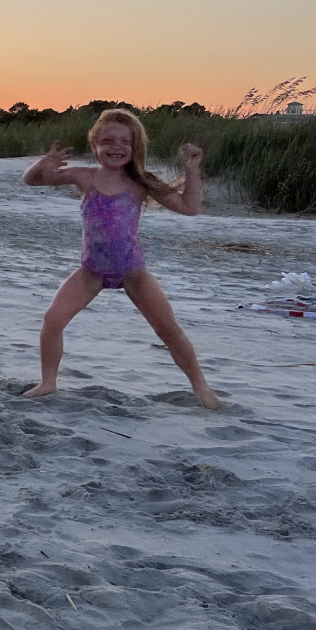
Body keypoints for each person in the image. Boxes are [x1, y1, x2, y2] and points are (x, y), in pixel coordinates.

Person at [21, 109, 220, 409]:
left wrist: (192, 169)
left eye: (125, 142)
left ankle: (203, 390)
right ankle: (48, 382)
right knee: (52, 320)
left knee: (169, 331)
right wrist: (42, 164)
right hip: (91, 271)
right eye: (108, 141)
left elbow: (189, 207)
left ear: (135, 146)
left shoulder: (141, 182)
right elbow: (32, 180)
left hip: (132, 272)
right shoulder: (85, 177)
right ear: (94, 145)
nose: (116, 147)